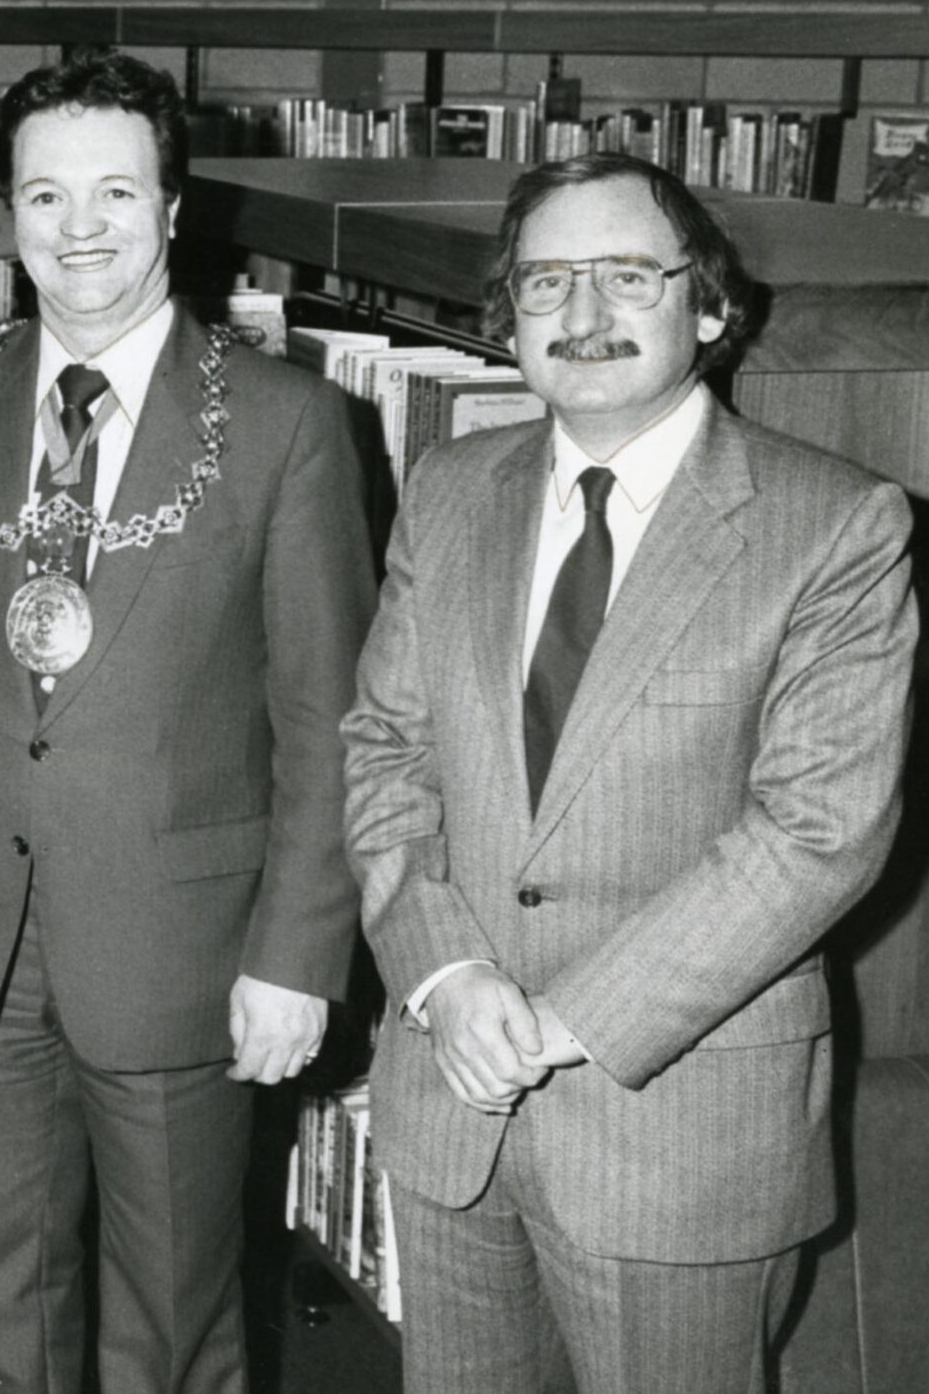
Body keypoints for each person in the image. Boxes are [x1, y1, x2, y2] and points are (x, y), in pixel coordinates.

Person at [0, 49, 374, 1393]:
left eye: (114, 193)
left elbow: (328, 721)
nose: (78, 231)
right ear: (5, 212)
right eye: (44, 195)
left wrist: (297, 954)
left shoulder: (289, 426)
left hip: (176, 935)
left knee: (170, 1308)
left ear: (173, 209)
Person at [342, 151, 916, 1394]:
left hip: (681, 1138)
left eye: (627, 277)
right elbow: (385, 753)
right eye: (546, 283)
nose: (584, 316)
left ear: (709, 307)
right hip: (455, 1103)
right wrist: (442, 972)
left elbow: (818, 834)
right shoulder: (446, 492)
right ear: (506, 320)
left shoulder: (837, 526)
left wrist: (566, 1022)